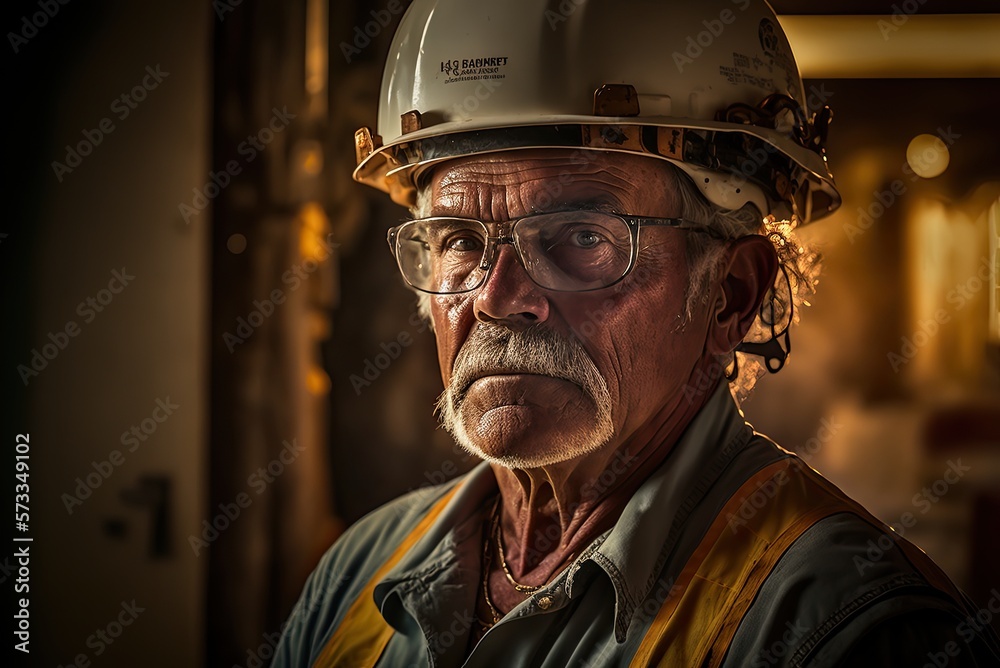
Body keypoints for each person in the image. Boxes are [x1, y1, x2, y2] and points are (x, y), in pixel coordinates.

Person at [274, 0, 1000, 665]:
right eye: (461, 240)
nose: (496, 298)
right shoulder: (358, 576)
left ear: (731, 295)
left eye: (582, 237)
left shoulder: (846, 627)